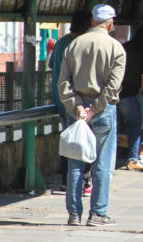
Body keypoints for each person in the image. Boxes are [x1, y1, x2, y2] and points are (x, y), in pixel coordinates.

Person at [58, 4, 126, 227]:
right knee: (102, 164)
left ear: (92, 22)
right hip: (103, 110)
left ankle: (74, 214)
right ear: (110, 23)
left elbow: (63, 83)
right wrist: (95, 108)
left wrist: (77, 107)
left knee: (75, 165)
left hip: (76, 111)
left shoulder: (74, 45)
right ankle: (97, 213)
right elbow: (113, 86)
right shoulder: (116, 48)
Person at [48, 10, 93, 195]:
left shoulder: (60, 43)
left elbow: (52, 66)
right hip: (76, 100)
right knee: (81, 140)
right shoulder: (80, 44)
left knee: (68, 138)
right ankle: (83, 182)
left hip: (59, 98)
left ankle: (66, 180)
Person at [117, 24, 143, 171]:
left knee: (121, 124)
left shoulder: (125, 47)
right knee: (136, 124)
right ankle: (133, 158)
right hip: (130, 93)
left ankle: (122, 142)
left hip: (115, 93)